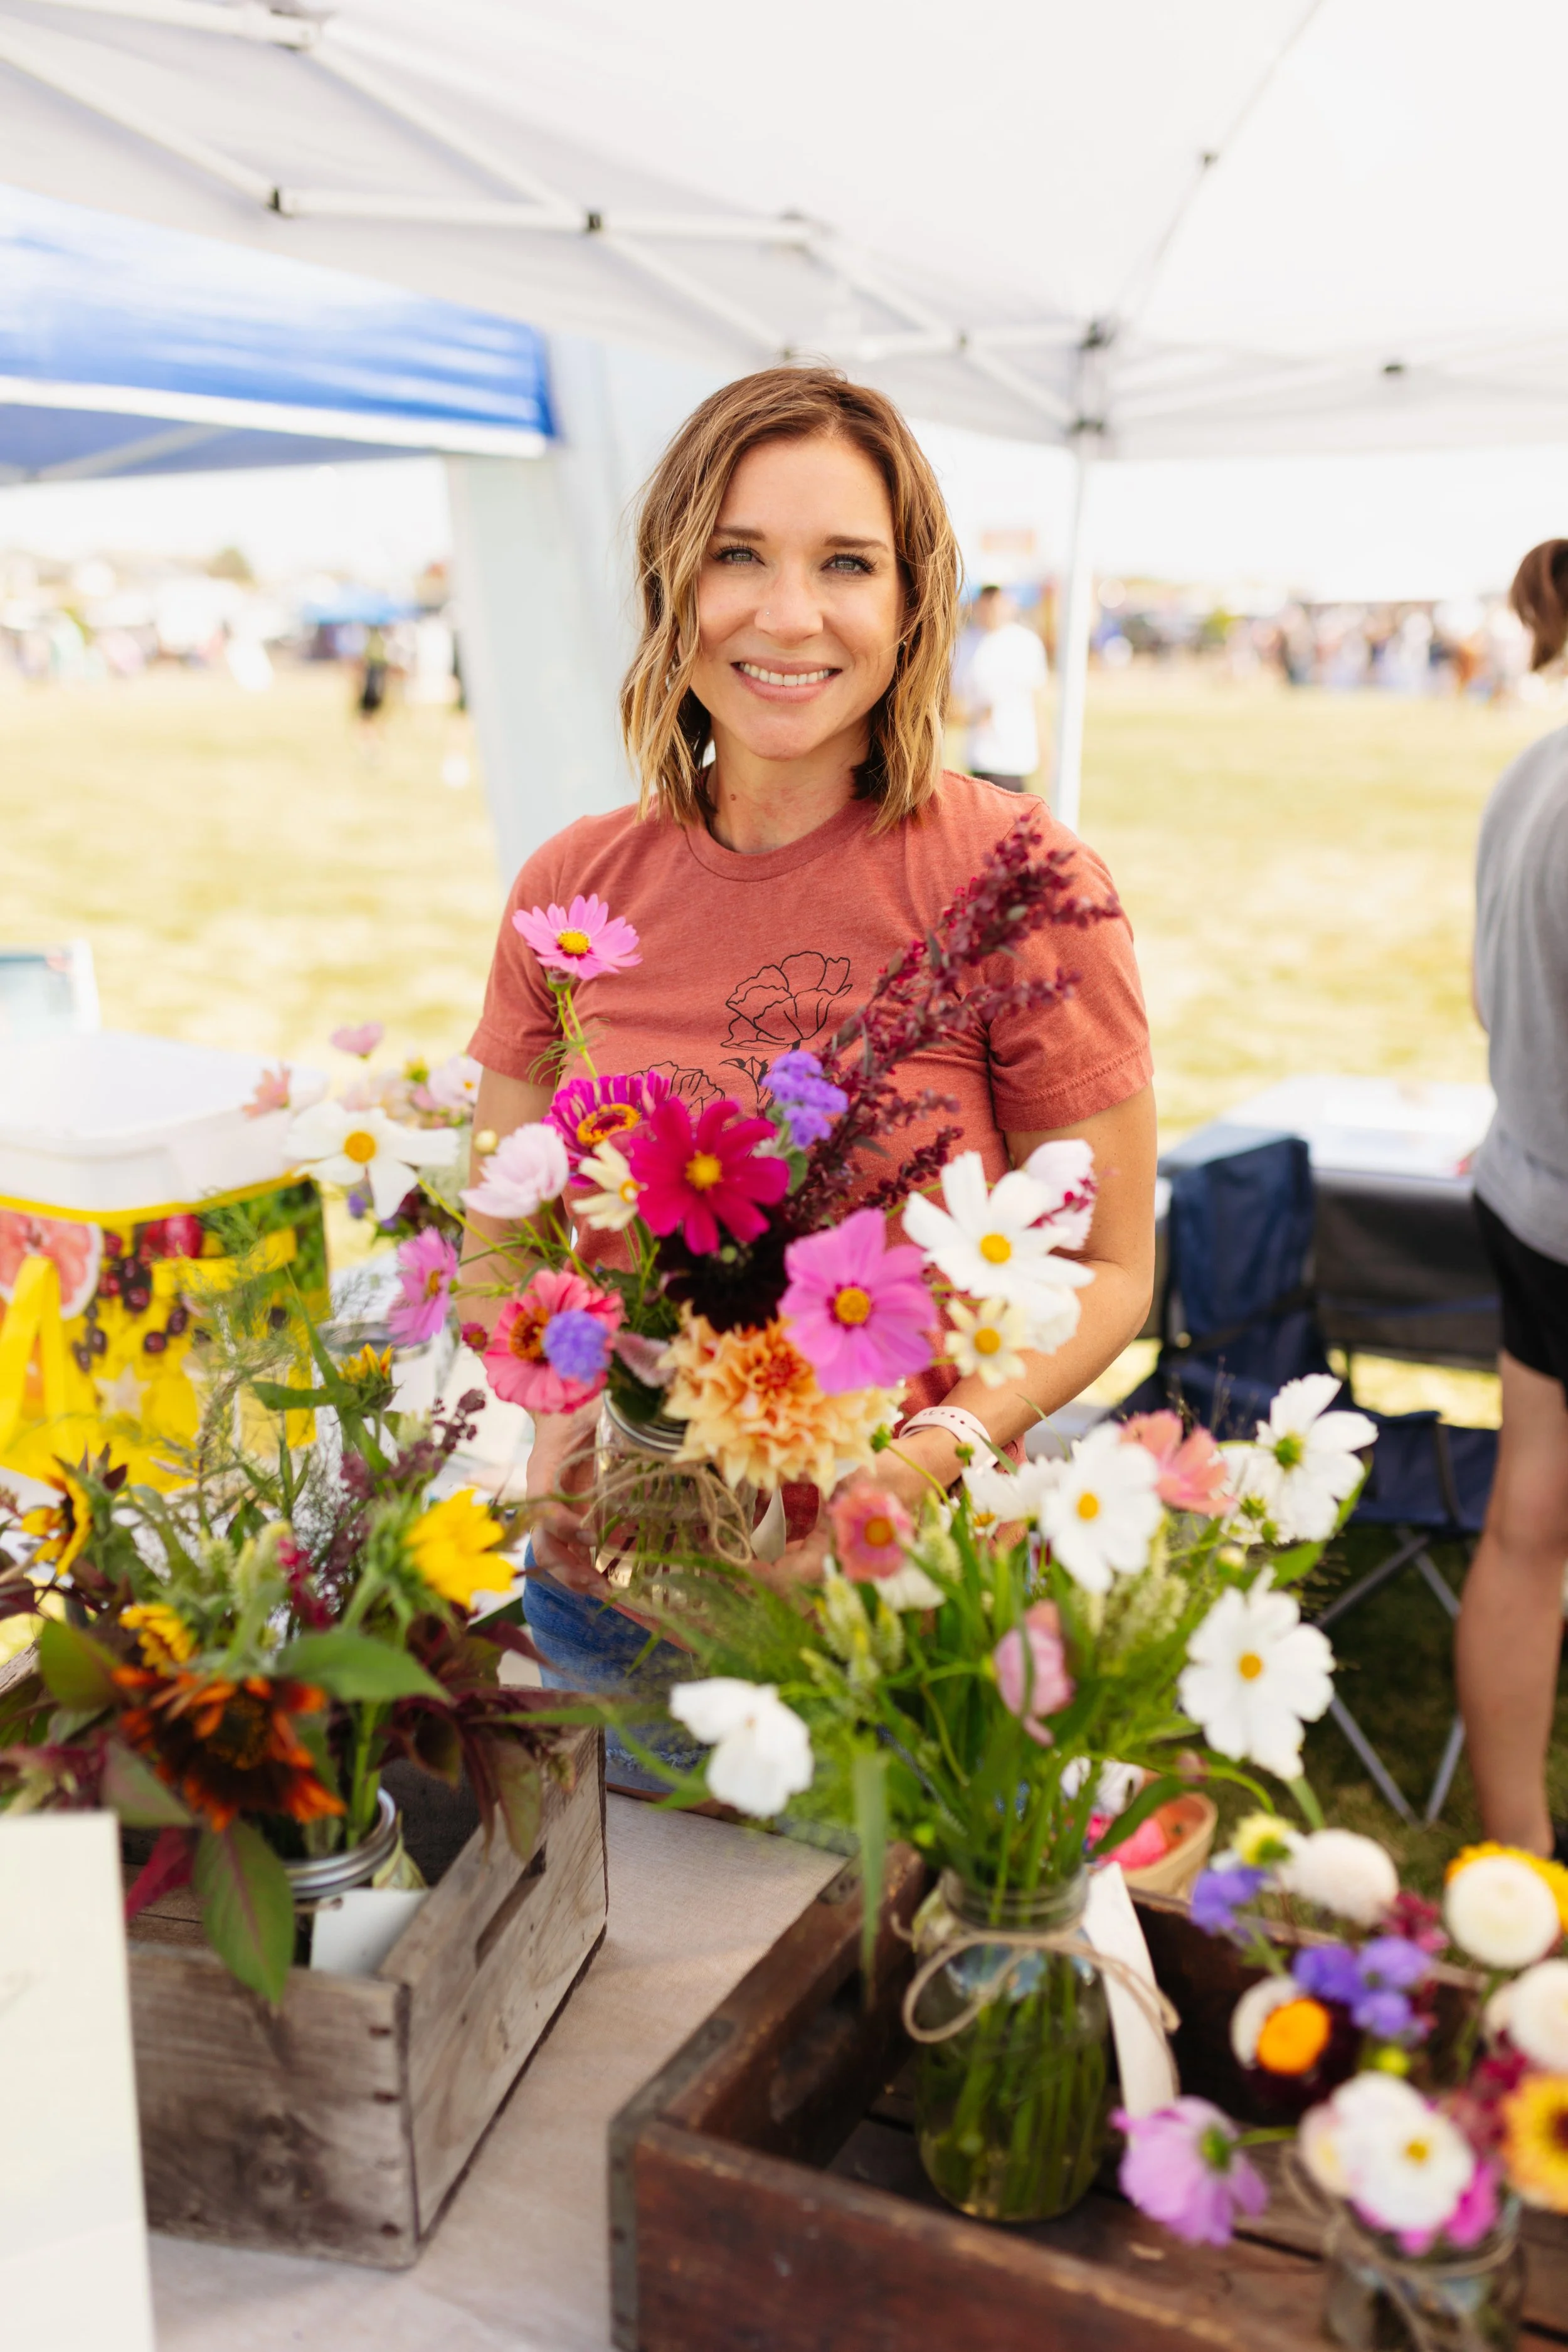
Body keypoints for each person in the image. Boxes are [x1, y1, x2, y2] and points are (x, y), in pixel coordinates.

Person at [461, 368, 1155, 1727]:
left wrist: (925, 1457)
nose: (788, 614)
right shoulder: (572, 887)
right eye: (737, 555)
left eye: (846, 563)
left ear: (911, 604)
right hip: (608, 1605)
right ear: (671, 582)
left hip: (900, 1607)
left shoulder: (1016, 880)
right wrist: (555, 1414)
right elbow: (500, 1247)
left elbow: (1112, 1269)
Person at [1456, 536, 1568, 1867]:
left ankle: (1516, 1865)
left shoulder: (1532, 769)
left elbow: (1492, 1001)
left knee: (1527, 1525)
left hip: (1532, 1192)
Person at [952, 583, 1049, 792]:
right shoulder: (963, 645)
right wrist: (972, 717)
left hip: (1018, 757)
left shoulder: (1026, 643)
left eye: (998, 600)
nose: (993, 607)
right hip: (980, 757)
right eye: (987, 600)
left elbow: (1037, 703)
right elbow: (948, 703)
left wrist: (1048, 756)